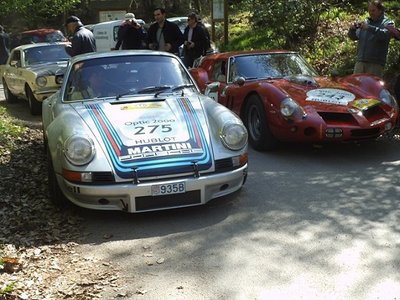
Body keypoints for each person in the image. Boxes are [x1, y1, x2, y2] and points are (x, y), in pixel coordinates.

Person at [347, 0, 393, 78]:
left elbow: (385, 35)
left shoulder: (387, 23)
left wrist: (369, 28)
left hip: (375, 63)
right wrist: (352, 29)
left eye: (373, 10)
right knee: (356, 86)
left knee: (371, 88)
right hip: (360, 61)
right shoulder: (365, 22)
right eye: (369, 11)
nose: (371, 13)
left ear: (380, 10)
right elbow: (354, 37)